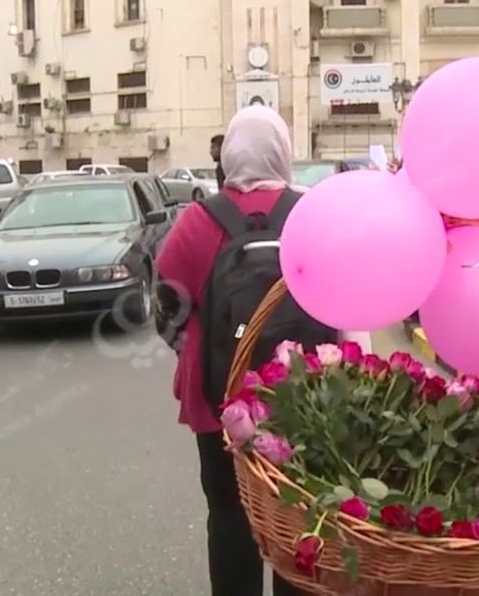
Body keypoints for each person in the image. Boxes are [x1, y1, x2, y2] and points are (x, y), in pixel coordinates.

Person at [156, 107, 308, 596]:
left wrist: (195, 346)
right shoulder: (307, 213)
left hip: (218, 399)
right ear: (282, 152)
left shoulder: (198, 220)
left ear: (230, 155)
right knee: (299, 513)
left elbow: (166, 306)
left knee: (227, 511)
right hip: (302, 398)